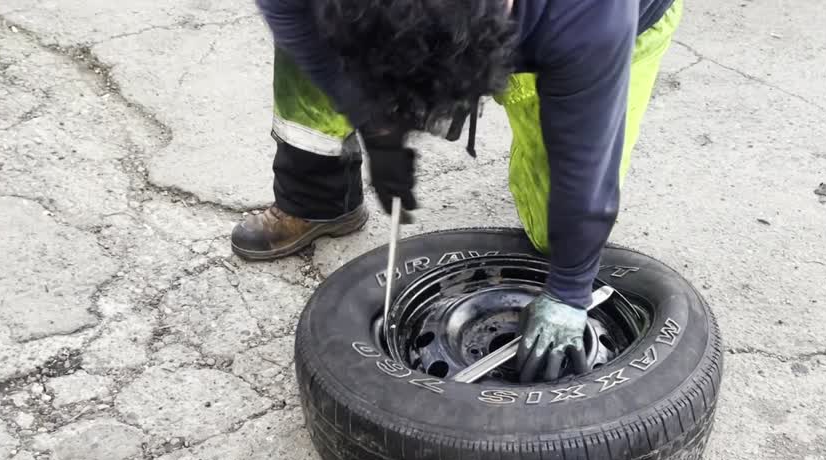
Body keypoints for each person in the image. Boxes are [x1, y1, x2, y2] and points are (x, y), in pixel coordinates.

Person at [235, 0, 681, 381]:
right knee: (324, 46)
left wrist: (569, 291)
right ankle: (315, 197)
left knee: (557, 234)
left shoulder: (587, 20)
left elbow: (587, 164)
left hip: (607, 25)